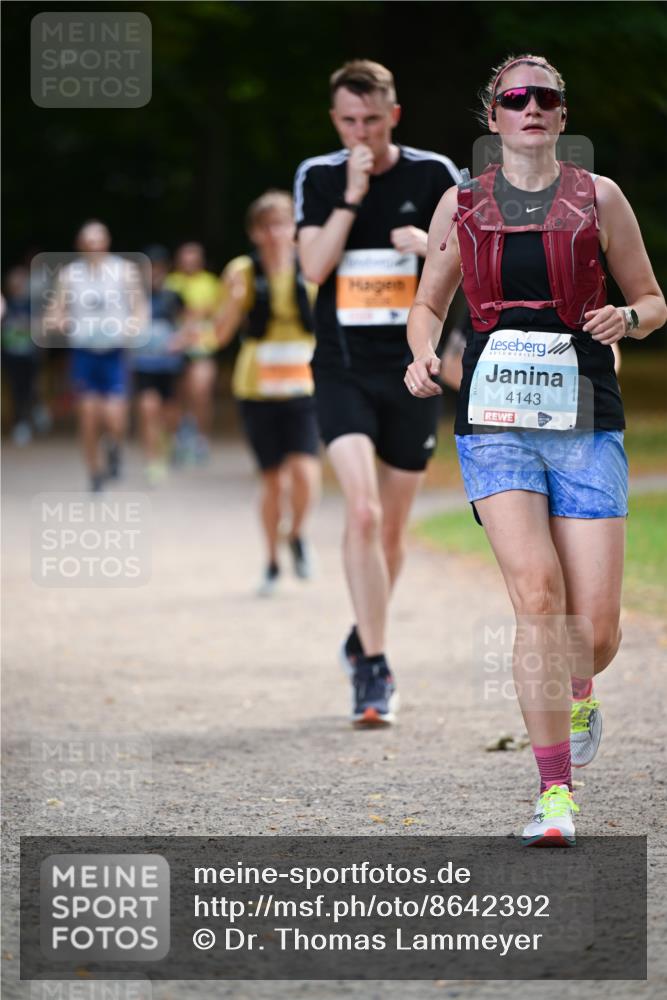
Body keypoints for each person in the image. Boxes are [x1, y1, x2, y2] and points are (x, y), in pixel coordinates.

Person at [406, 54, 666, 844]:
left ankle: (580, 686)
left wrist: (629, 319)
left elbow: (652, 299)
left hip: (586, 416)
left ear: (559, 115)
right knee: (537, 600)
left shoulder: (600, 198)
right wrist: (421, 354)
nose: (530, 107)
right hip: (495, 421)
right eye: (515, 97)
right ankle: (553, 793)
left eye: (544, 97)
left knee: (594, 631)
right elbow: (427, 302)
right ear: (492, 116)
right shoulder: (464, 205)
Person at [294, 60, 461, 725]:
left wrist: (427, 246)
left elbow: (470, 265)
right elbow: (312, 266)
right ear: (335, 121)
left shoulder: (434, 174)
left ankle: (360, 637)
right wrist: (350, 196)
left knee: (391, 531)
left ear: (393, 115)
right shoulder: (320, 175)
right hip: (340, 370)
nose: (359, 132)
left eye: (370, 119)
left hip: (411, 370)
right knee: (360, 513)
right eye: (347, 121)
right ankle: (374, 667)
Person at [216, 190, 321, 596]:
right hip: (257, 387)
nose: (277, 233)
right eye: (268, 226)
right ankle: (272, 562)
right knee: (273, 481)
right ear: (255, 233)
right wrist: (234, 305)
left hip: (304, 383)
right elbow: (220, 334)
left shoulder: (311, 265)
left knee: (307, 475)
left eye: (284, 224)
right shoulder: (241, 271)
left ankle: (296, 534)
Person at [45, 220, 148, 491]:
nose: (94, 247)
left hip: (114, 352)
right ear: (80, 245)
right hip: (84, 353)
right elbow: (55, 310)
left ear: (107, 242)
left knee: (114, 418)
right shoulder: (69, 275)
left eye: (98, 241)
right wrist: (58, 320)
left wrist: (133, 327)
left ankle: (115, 448)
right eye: (88, 242)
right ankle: (94, 472)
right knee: (88, 415)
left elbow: (139, 309)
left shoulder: (125, 271)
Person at [131, 247, 186, 486]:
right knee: (147, 408)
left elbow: (189, 323)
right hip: (143, 364)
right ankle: (152, 459)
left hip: (168, 365)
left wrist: (180, 340)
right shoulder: (133, 297)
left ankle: (170, 442)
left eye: (158, 267)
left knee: (169, 412)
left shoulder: (173, 296)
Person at [165, 242, 222, 464]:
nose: (189, 262)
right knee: (176, 396)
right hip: (175, 347)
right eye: (185, 258)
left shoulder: (211, 282)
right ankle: (177, 440)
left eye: (193, 258)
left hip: (202, 347)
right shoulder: (171, 283)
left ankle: (201, 438)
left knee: (201, 392)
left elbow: (217, 313)